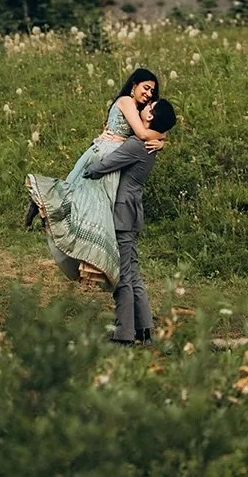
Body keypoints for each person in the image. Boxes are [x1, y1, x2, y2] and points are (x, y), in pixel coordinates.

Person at [24, 69, 165, 288]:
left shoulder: (136, 108)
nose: (148, 94)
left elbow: (149, 130)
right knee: (88, 204)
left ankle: (90, 263)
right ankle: (42, 198)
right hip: (106, 155)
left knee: (90, 205)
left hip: (115, 158)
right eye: (146, 88)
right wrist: (162, 139)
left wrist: (162, 138)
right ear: (134, 85)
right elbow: (143, 133)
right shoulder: (126, 101)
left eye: (152, 92)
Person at [84, 98, 177, 345]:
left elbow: (103, 166)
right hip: (132, 212)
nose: (143, 107)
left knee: (124, 275)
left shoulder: (137, 145)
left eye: (148, 107)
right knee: (132, 273)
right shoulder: (149, 144)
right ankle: (145, 330)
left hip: (123, 215)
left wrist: (88, 165)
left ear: (149, 117)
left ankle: (124, 334)